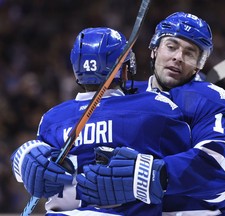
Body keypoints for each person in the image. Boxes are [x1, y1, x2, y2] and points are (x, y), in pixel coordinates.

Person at [11, 27, 192, 215]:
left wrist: (20, 156)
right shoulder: (155, 107)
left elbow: (34, 169)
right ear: (124, 69)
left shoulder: (52, 118)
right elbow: (189, 170)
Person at [76, 12, 225, 215]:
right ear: (154, 50)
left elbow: (220, 169)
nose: (178, 57)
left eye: (190, 53)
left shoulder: (210, 99)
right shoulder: (124, 94)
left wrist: (155, 174)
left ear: (199, 66)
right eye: (171, 47)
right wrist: (36, 154)